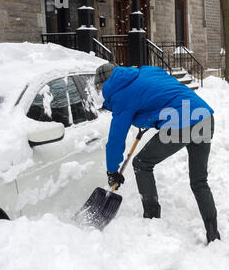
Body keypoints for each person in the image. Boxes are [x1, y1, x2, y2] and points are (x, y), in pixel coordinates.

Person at [94, 63, 220, 244]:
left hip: (182, 123)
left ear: (104, 83)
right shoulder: (146, 71)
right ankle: (213, 234)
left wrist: (112, 171)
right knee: (199, 181)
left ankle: (152, 218)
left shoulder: (120, 94)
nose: (100, 91)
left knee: (141, 164)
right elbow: (160, 93)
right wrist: (153, 119)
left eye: (99, 87)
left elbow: (115, 140)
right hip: (204, 116)